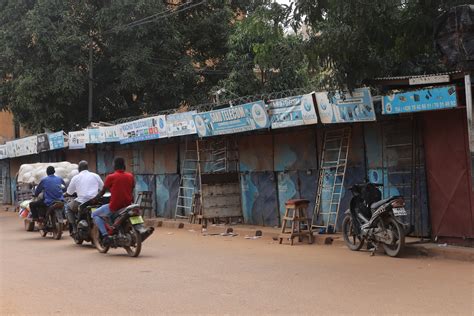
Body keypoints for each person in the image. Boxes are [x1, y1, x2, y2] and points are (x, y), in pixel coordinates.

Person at [92, 157, 135, 244]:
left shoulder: (111, 177)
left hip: (115, 206)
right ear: (124, 165)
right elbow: (132, 188)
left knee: (94, 214)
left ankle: (105, 236)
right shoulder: (130, 176)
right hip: (128, 205)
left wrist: (95, 199)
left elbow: (103, 191)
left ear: (114, 166)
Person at [65, 160, 104, 234]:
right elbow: (102, 188)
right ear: (87, 168)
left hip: (81, 202)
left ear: (79, 169)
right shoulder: (95, 175)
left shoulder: (76, 178)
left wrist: (66, 194)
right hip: (95, 201)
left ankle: (74, 228)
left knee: (68, 207)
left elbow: (69, 192)